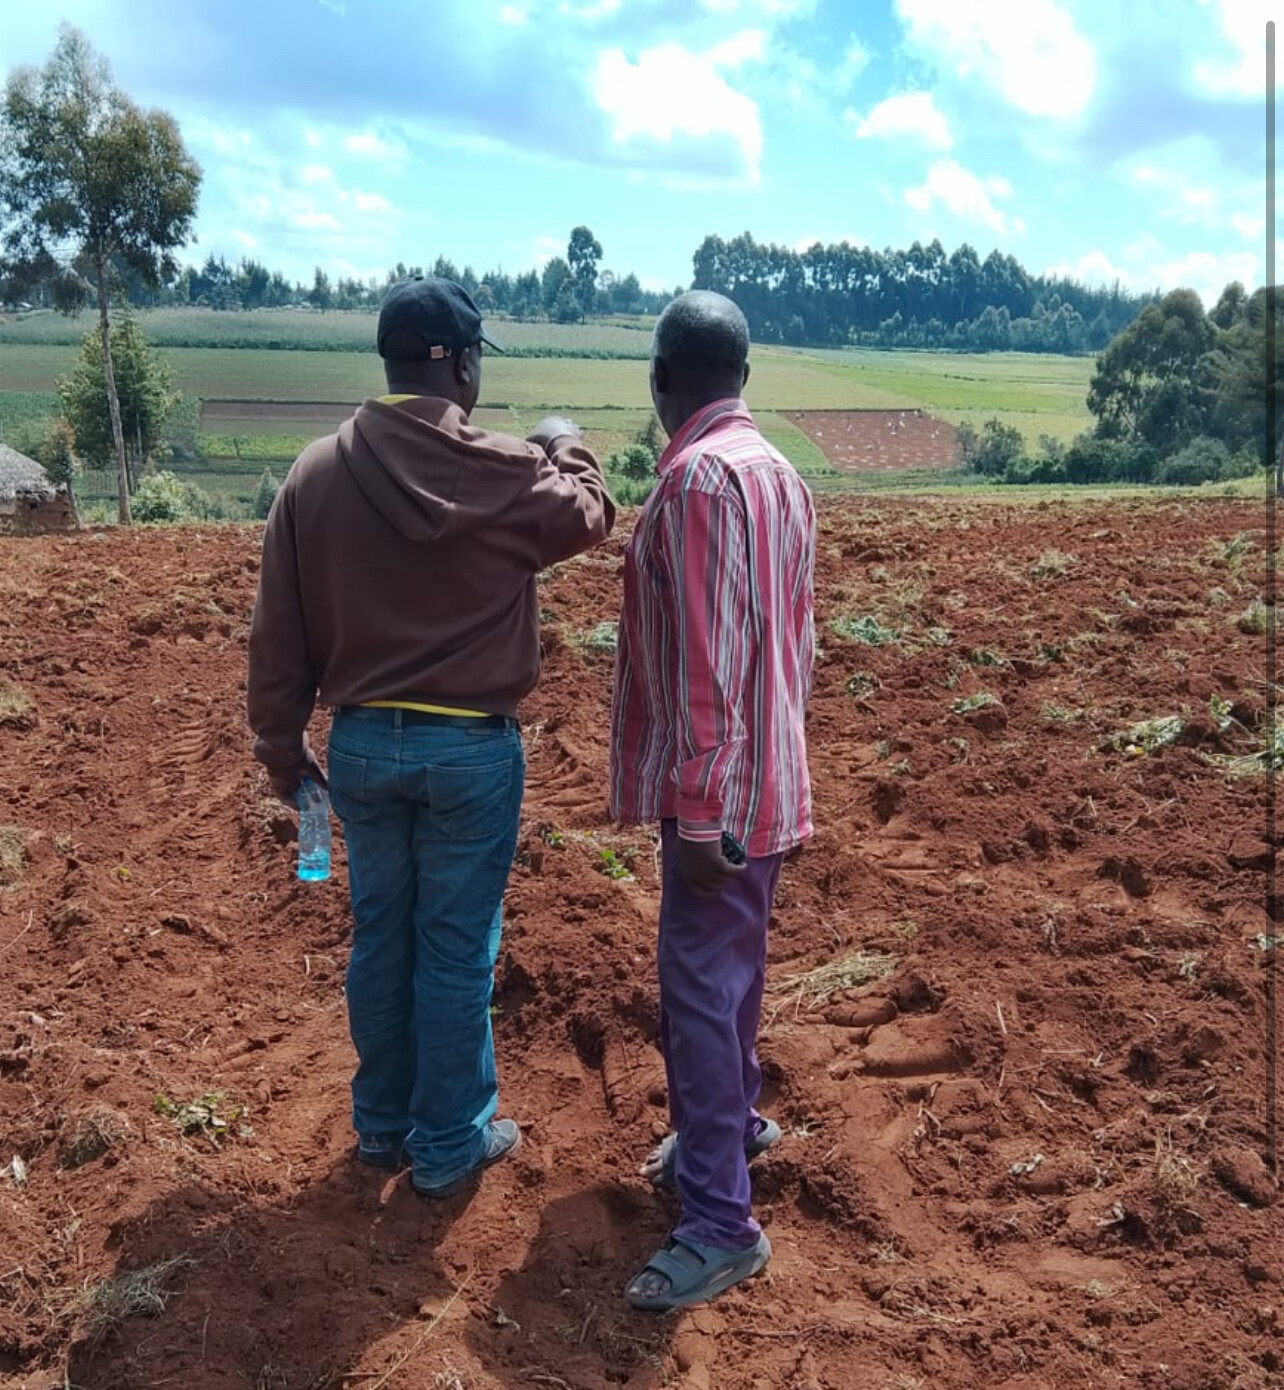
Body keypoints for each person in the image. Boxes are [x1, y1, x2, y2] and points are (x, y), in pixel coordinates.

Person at [247, 275, 615, 1198]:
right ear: (461, 364)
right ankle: (450, 1141)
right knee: (454, 947)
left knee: (381, 936)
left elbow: (278, 633)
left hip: (363, 748)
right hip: (471, 751)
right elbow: (590, 514)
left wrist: (284, 751)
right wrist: (564, 441)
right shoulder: (504, 468)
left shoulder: (314, 475)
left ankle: (381, 1127)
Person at [609, 291, 816, 1310]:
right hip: (767, 778)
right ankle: (725, 1129)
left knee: (695, 989)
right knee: (731, 975)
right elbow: (796, 641)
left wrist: (698, 809)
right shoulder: (780, 472)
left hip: (718, 800)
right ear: (742, 375)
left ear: (662, 379)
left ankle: (720, 1225)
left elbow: (705, 662)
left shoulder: (695, 480)